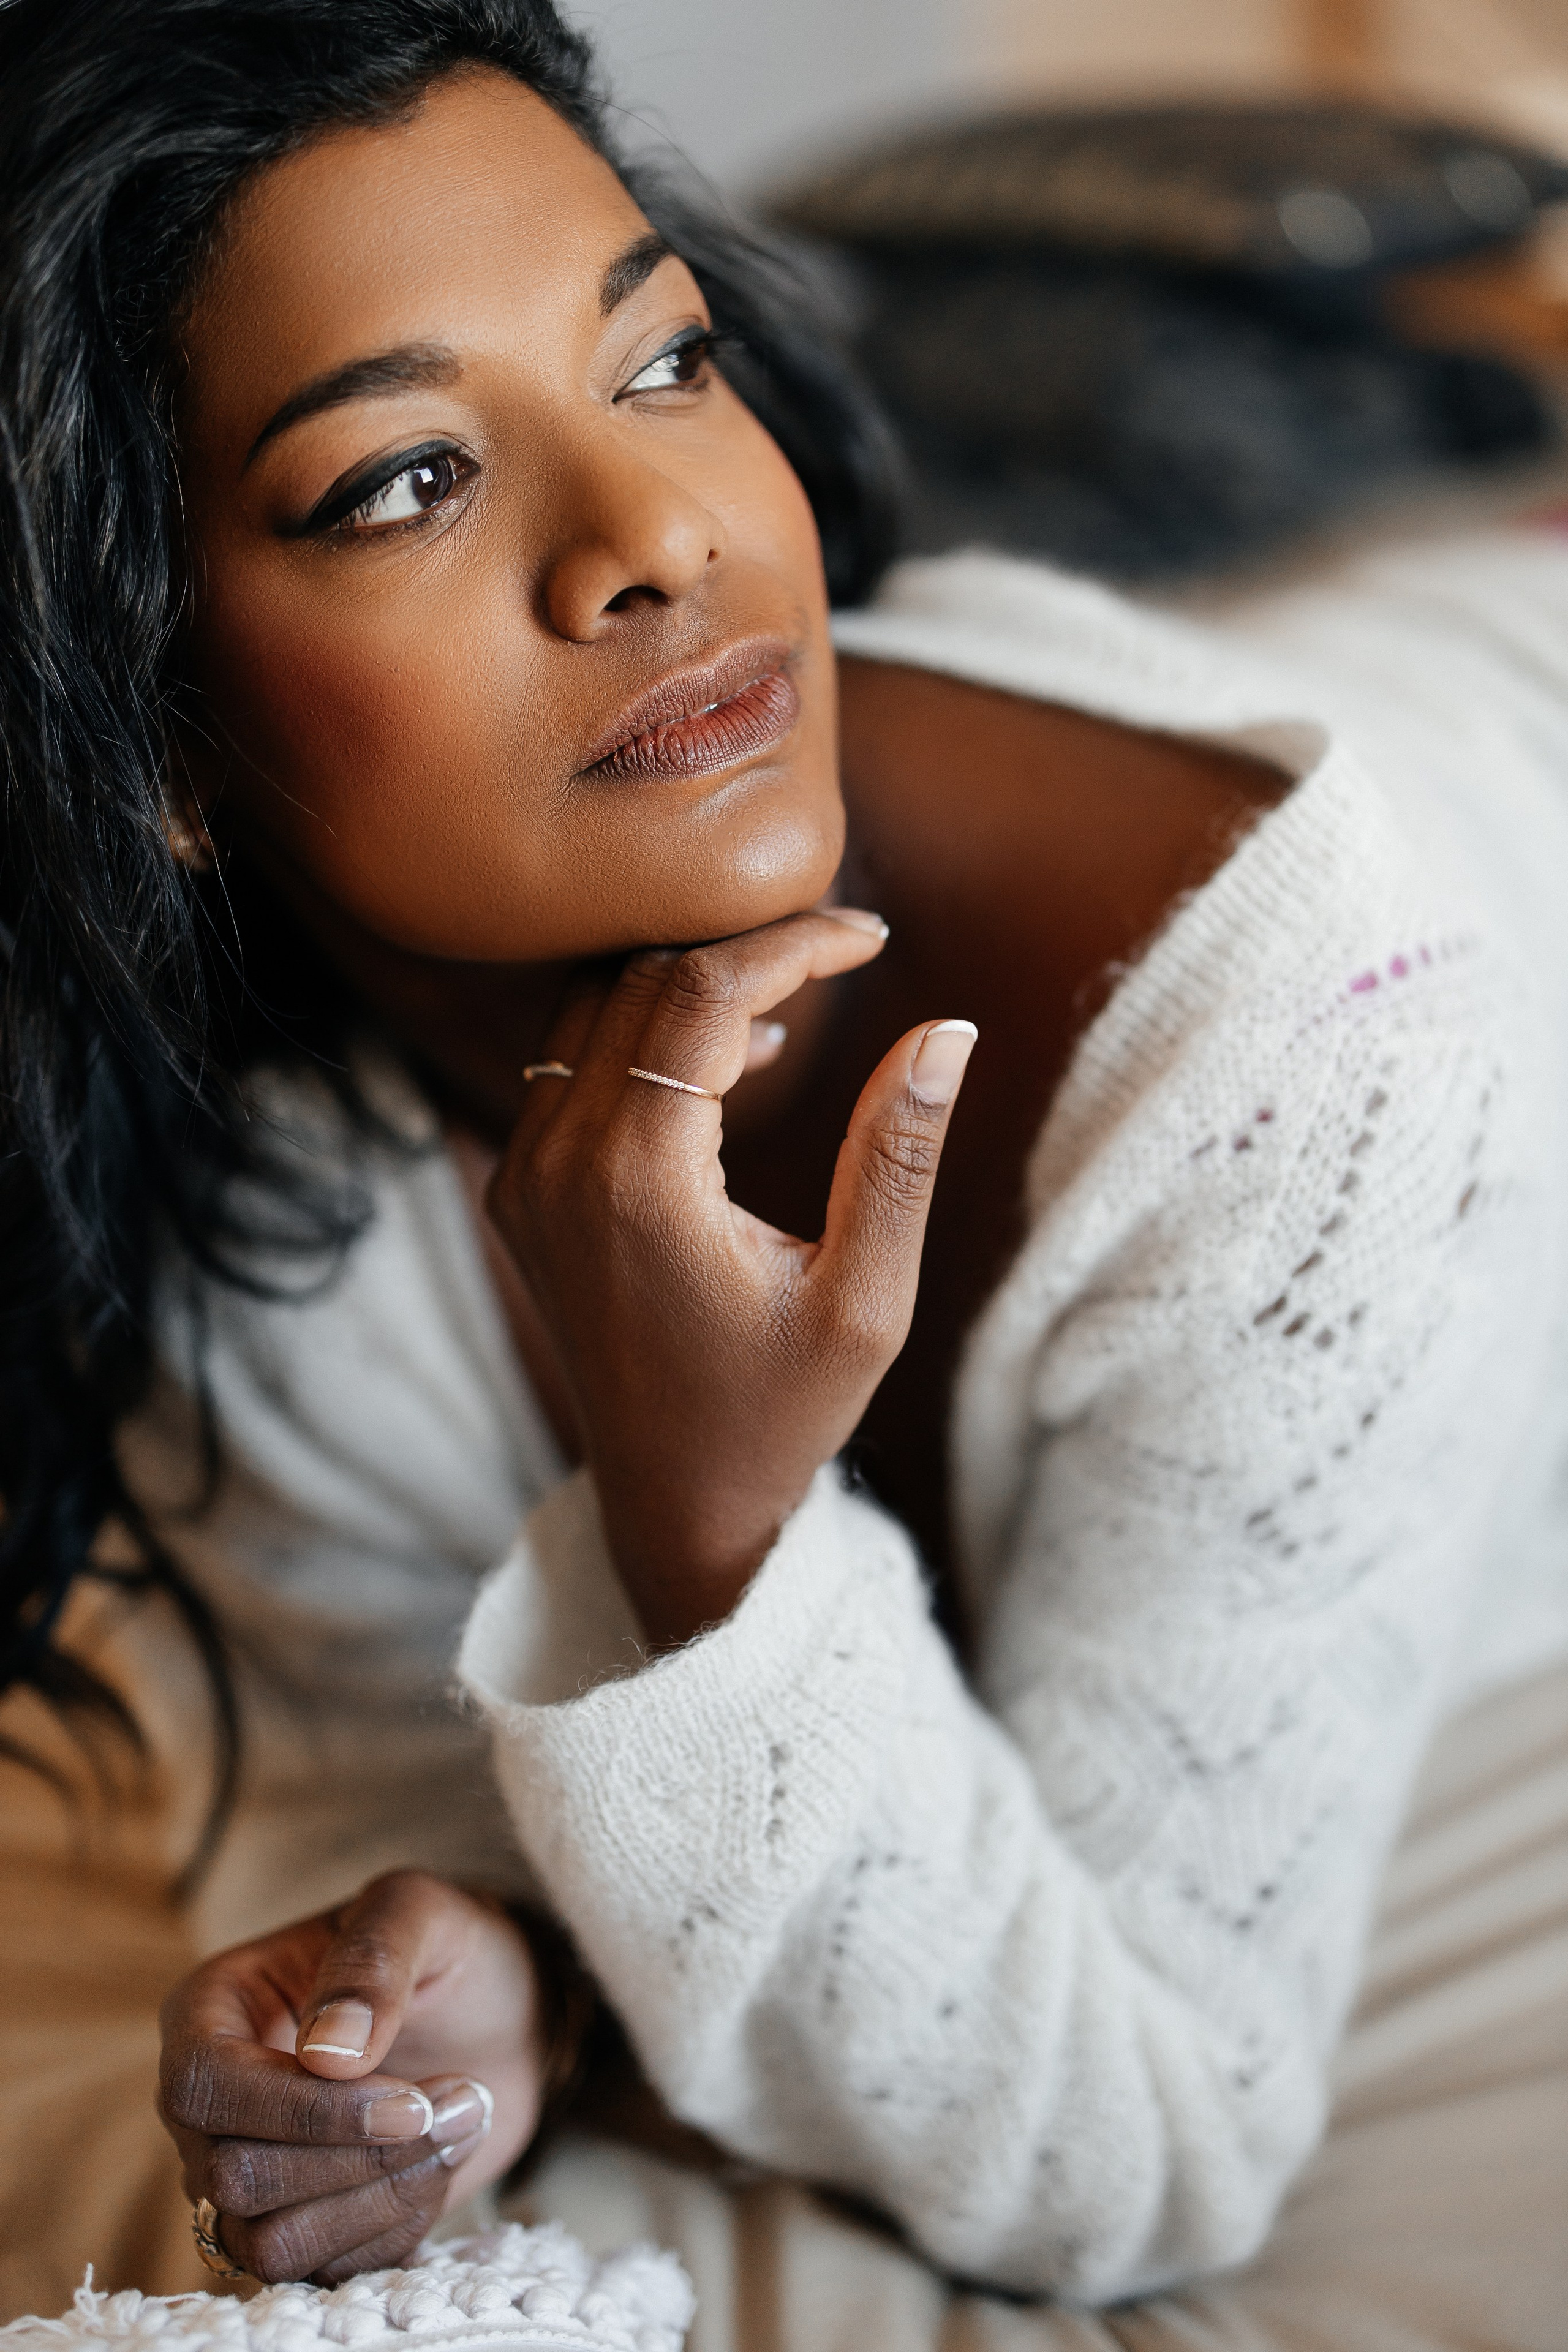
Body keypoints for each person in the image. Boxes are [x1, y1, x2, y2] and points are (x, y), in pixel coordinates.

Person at [1, 0, 1565, 2334]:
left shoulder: (1314, 1050)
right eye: (407, 477)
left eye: (665, 359)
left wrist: (709, 1528)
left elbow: (1139, 2166)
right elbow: (373, 1798)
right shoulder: (264, 1186)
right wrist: (499, 1988)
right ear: (151, 735)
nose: (665, 536)